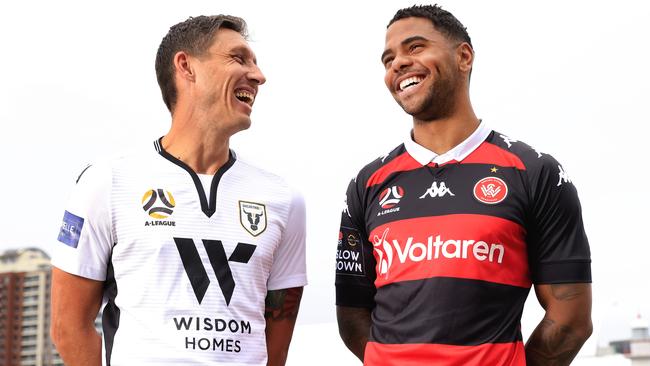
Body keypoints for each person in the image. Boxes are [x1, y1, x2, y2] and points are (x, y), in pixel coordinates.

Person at [335, 5, 592, 365]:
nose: (398, 63)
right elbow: (351, 315)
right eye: (388, 58)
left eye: (415, 47)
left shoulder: (535, 171)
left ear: (464, 57)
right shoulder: (366, 183)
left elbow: (571, 319)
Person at [50, 15, 306, 366]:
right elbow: (69, 328)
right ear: (187, 67)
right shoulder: (107, 181)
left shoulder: (284, 199)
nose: (259, 76)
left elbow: (276, 344)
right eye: (238, 58)